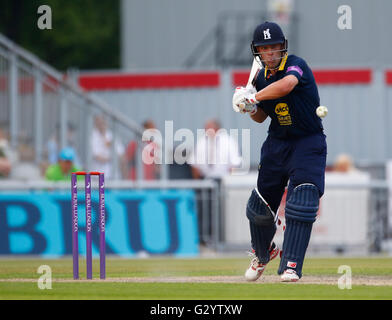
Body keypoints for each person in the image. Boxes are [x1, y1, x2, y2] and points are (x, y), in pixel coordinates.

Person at [232, 21, 327, 282]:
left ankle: (291, 266)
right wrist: (248, 106)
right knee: (259, 206)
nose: (271, 53)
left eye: (275, 47)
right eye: (265, 49)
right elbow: (261, 117)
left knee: (302, 201)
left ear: (282, 48)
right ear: (258, 53)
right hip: (277, 143)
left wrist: (255, 96)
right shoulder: (260, 77)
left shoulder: (296, 65)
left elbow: (286, 86)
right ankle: (263, 253)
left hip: (307, 142)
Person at [91, 115, 124, 179]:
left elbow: (121, 155)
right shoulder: (93, 137)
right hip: (97, 175)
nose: (101, 125)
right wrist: (113, 157)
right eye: (99, 123)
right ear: (95, 124)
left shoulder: (112, 135)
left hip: (113, 175)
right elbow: (98, 157)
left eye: (102, 122)